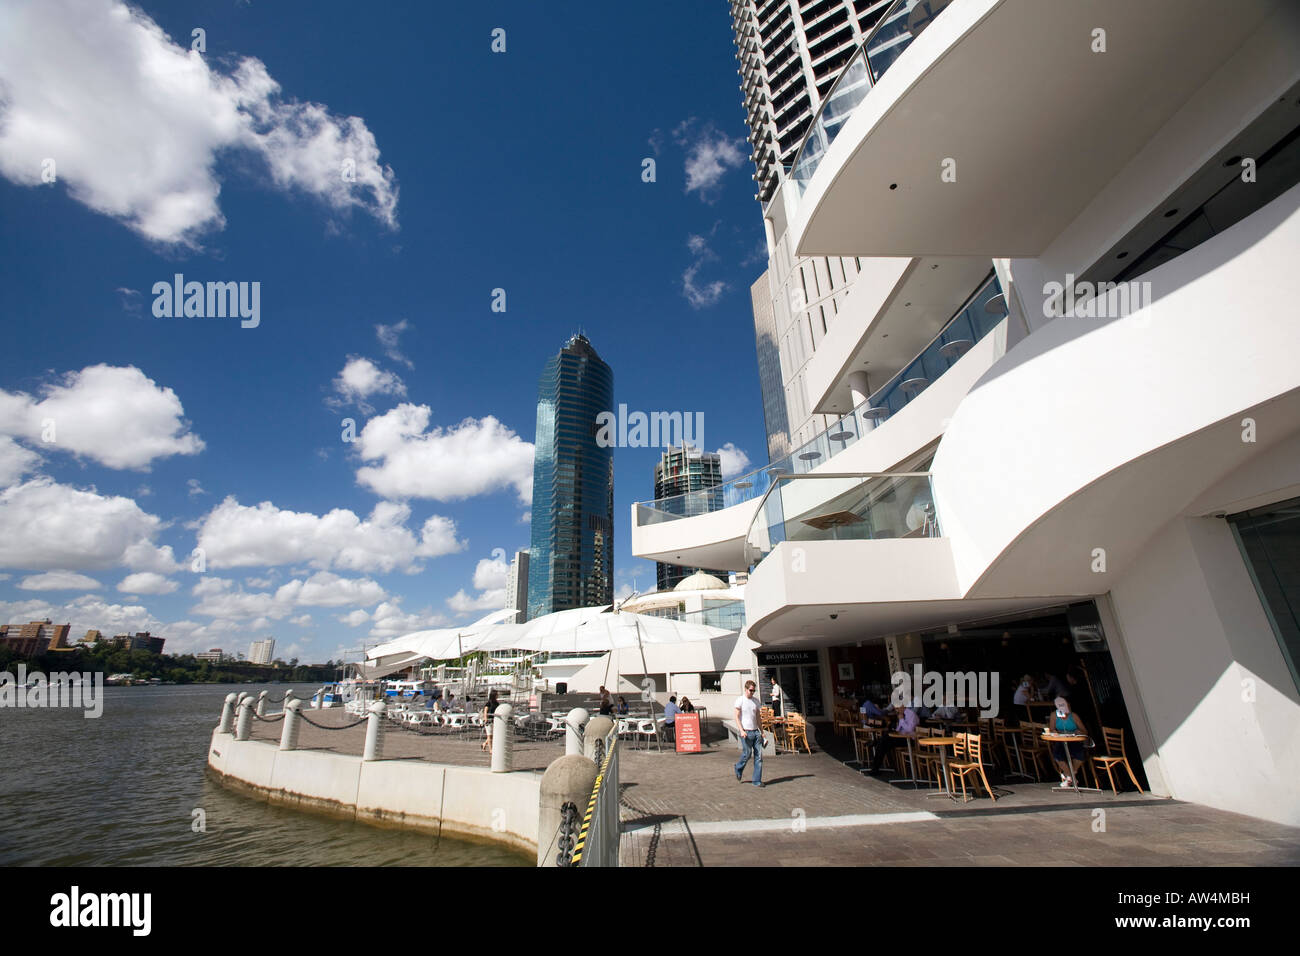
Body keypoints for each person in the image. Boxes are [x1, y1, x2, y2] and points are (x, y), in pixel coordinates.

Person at [1046, 696, 1088, 787]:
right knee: (1058, 755)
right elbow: (1052, 729)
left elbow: (1084, 731)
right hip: (1061, 740)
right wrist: (1055, 732)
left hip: (1074, 739)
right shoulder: (1054, 715)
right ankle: (1071, 777)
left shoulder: (1074, 716)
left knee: (1079, 754)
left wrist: (1078, 731)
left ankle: (1068, 776)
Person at [868, 703, 918, 774]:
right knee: (883, 742)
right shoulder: (901, 714)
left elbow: (909, 730)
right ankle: (875, 767)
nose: (896, 710)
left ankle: (875, 766)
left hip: (909, 740)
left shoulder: (911, 715)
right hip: (901, 737)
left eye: (897, 708)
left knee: (883, 742)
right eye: (895, 709)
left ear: (903, 706)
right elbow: (898, 729)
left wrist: (901, 720)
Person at [733, 680, 764, 787]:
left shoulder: (756, 701)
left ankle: (757, 781)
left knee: (759, 757)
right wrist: (741, 730)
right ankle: (738, 767)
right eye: (751, 690)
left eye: (754, 691)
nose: (752, 692)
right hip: (746, 731)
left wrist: (762, 731)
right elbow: (736, 716)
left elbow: (758, 717)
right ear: (746, 689)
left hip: (756, 731)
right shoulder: (740, 700)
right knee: (747, 754)